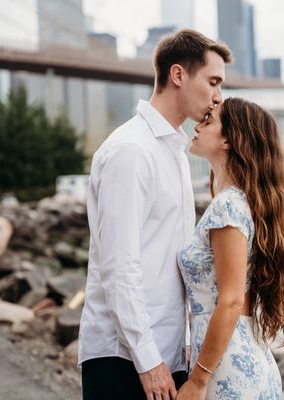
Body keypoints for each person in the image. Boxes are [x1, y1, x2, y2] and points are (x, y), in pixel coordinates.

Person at [78, 29, 232, 400]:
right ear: (178, 75)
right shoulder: (132, 151)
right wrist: (148, 361)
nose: (218, 97)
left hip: (166, 352)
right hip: (124, 358)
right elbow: (119, 266)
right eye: (212, 82)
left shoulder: (175, 152)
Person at [176, 98, 284, 399]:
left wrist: (197, 380)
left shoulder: (228, 207)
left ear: (229, 140)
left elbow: (231, 300)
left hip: (227, 369)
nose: (197, 126)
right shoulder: (242, 204)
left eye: (209, 121)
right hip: (242, 357)